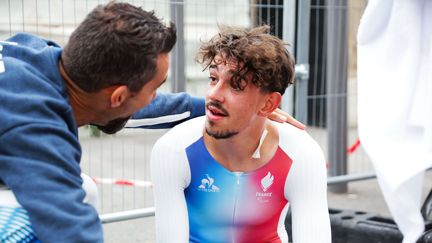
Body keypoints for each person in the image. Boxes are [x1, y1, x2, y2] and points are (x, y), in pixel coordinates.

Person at [0, 2, 302, 242]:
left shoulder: (35, 55)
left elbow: (137, 107)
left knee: (84, 190)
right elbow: (70, 229)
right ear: (118, 96)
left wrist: (213, 107)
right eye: (152, 89)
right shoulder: (33, 128)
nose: (154, 96)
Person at [151, 25, 331, 243]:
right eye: (213, 78)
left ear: (268, 104)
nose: (213, 95)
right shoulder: (174, 149)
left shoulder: (302, 154)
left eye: (236, 85)